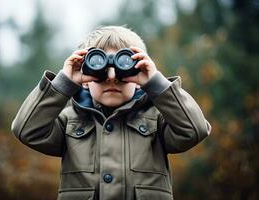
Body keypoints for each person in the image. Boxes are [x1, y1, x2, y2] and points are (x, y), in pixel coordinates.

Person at [11, 25, 211, 200]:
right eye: (99, 67)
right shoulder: (69, 121)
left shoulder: (157, 119)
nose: (112, 76)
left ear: (138, 75)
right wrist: (64, 82)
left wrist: (156, 83)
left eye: (124, 66)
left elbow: (194, 130)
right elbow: (27, 130)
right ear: (86, 80)